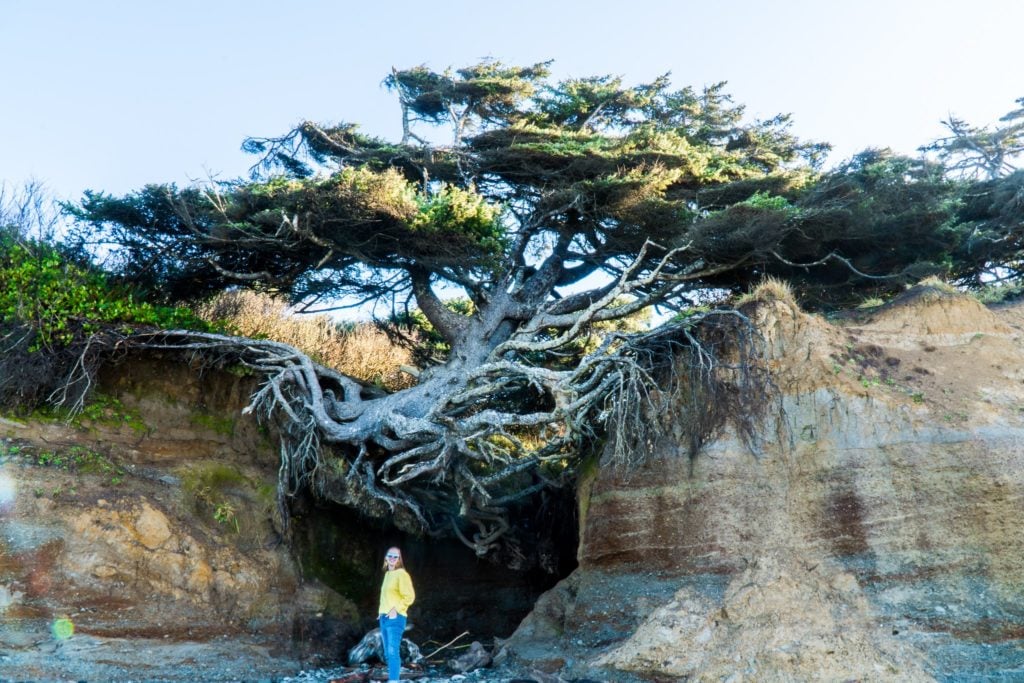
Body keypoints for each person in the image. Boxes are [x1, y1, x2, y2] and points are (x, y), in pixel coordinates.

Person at [378, 546, 415, 682]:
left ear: (399, 559)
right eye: (390, 555)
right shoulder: (387, 574)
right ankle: (393, 679)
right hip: (384, 618)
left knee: (393, 652)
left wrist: (395, 610)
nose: (392, 558)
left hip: (396, 618)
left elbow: (409, 596)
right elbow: (386, 597)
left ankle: (394, 680)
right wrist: (381, 612)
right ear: (386, 558)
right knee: (387, 653)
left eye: (395, 556)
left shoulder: (402, 574)